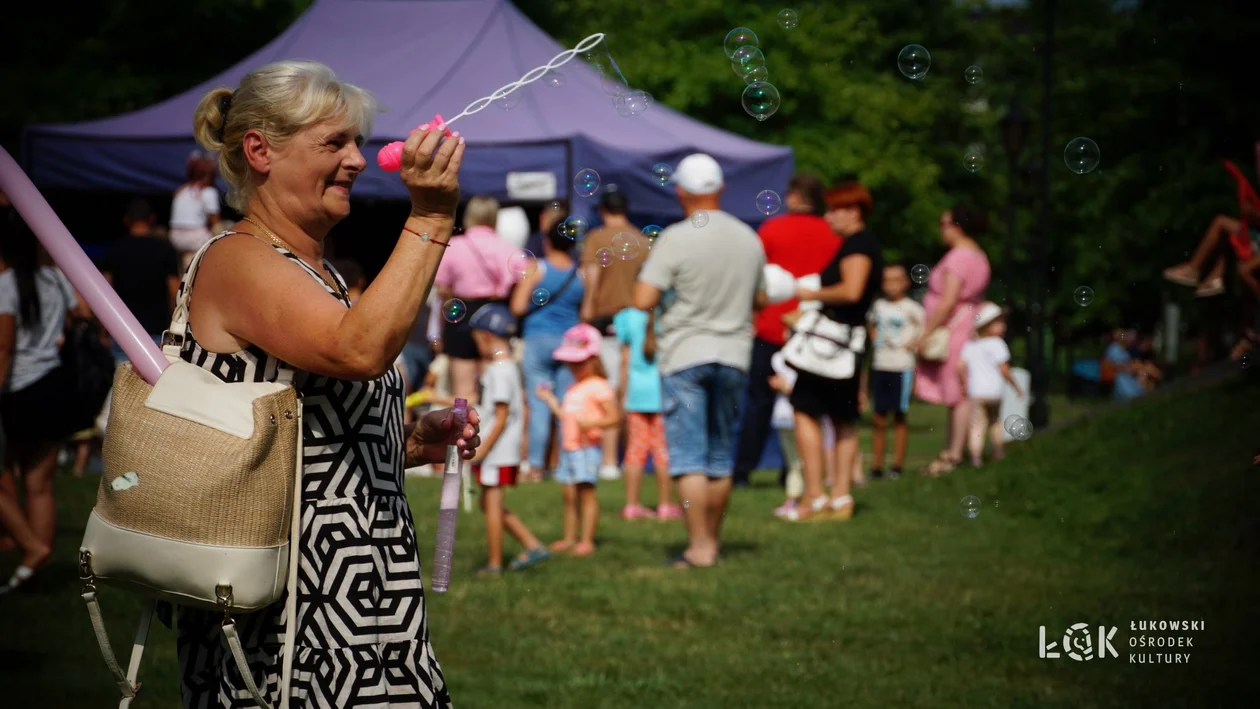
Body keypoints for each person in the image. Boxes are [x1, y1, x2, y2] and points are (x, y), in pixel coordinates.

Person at [177, 61, 482, 706]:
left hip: (364, 604)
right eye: (334, 143)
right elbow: (359, 349)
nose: (359, 161)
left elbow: (309, 441)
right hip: (290, 625)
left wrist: (408, 440)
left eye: (358, 142)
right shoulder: (239, 260)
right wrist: (430, 216)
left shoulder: (320, 277)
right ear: (259, 151)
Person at [635, 153, 767, 567]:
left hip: (685, 355)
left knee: (690, 456)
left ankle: (699, 547)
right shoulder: (749, 236)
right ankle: (713, 539)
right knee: (719, 456)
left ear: (681, 192)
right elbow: (761, 299)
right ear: (721, 188)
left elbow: (642, 299)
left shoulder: (676, 236)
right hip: (734, 354)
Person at [733, 173, 840, 488]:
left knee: (758, 403)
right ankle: (796, 470)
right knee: (807, 404)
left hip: (769, 326)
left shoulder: (772, 229)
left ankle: (742, 471)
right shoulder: (832, 233)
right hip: (813, 330)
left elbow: (752, 276)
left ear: (794, 197)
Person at [787, 181, 884, 521]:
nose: (828, 217)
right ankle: (840, 498)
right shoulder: (864, 244)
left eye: (834, 210)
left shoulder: (857, 244)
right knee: (843, 419)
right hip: (847, 345)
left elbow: (852, 290)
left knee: (805, 410)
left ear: (853, 211)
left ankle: (816, 495)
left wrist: (809, 293)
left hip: (831, 346)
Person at [0, 222, 71, 592]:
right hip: (54, 386)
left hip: (19, 387)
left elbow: (4, 347)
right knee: (39, 484)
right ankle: (36, 563)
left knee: (6, 472)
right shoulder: (57, 280)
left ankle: (28, 545)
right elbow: (84, 313)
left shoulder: (7, 285)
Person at [466, 304, 550, 574]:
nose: (475, 344)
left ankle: (494, 564)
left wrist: (482, 450)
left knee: (491, 505)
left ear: (487, 336)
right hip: (497, 450)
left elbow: (501, 417)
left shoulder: (500, 370)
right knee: (487, 503)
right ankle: (532, 545)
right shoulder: (503, 367)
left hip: (497, 451)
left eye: (476, 338)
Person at [915, 205, 992, 476]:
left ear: (957, 226)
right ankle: (954, 450)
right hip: (967, 326)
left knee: (957, 393)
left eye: (944, 223)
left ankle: (953, 454)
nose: (941, 229)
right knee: (959, 391)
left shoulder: (958, 257)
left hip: (954, 330)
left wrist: (926, 332)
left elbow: (948, 300)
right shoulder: (978, 255)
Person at [535, 324, 620, 557]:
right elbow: (565, 415)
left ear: (594, 358)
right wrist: (550, 400)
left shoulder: (599, 387)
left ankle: (587, 540)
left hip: (586, 449)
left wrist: (592, 424)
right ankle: (570, 538)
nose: (574, 368)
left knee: (586, 493)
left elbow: (614, 416)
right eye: (571, 363)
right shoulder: (574, 387)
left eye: (580, 362)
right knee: (569, 495)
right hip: (569, 449)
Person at [512, 220, 585, 482]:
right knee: (566, 405)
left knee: (539, 404)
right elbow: (586, 313)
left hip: (538, 341)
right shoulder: (580, 274)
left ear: (547, 242)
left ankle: (535, 467)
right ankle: (567, 466)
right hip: (570, 345)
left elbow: (518, 307)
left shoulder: (537, 268)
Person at [580, 187, 643, 481]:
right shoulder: (643, 241)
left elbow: (591, 281)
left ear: (603, 209)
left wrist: (586, 314)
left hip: (605, 323)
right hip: (637, 322)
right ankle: (632, 457)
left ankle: (608, 462)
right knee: (628, 393)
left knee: (606, 391)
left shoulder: (596, 238)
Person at [435, 195, 518, 401]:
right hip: (494, 315)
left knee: (462, 392)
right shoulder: (506, 247)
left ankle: (464, 430)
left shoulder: (453, 245)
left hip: (460, 313)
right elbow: (524, 275)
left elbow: (442, 288)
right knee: (494, 388)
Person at [613, 305, 682, 520]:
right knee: (662, 451)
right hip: (663, 393)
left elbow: (625, 359)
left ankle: (632, 505)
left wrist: (621, 393)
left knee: (635, 450)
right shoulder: (670, 314)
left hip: (636, 394)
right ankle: (665, 505)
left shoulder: (626, 317)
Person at [100, 199, 181, 362]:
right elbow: (175, 294)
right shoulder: (165, 249)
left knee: (122, 385)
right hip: (157, 334)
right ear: (151, 219)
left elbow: (104, 295)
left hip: (122, 334)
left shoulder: (115, 251)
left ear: (126, 220)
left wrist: (103, 333)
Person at [866, 264, 925, 479]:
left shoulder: (911, 307)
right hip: (881, 364)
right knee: (878, 417)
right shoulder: (879, 306)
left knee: (899, 416)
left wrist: (912, 343)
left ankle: (897, 465)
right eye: (886, 280)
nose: (891, 285)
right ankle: (877, 465)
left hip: (902, 366)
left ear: (905, 283)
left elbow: (924, 328)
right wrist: (875, 339)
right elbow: (871, 325)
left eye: (896, 280)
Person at [959, 303, 1023, 467]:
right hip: (994, 392)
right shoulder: (998, 344)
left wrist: (963, 384)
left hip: (976, 393)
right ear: (986, 326)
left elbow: (959, 366)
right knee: (994, 422)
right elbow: (1004, 369)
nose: (1004, 326)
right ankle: (999, 452)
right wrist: (1016, 386)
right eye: (999, 322)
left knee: (977, 425)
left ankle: (976, 459)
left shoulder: (971, 345)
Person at [168, 151, 222, 271]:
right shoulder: (208, 192)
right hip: (196, 238)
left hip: (176, 237)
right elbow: (215, 223)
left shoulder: (181, 191)